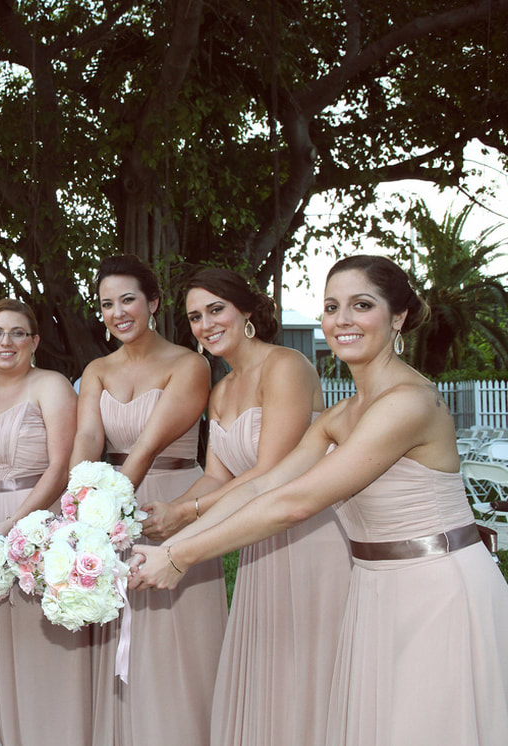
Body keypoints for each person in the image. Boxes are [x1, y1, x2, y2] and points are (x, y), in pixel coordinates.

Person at [133, 255, 508, 745]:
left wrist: (179, 557)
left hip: (437, 589)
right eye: (332, 307)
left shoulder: (407, 404)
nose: (342, 320)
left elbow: (299, 504)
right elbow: (264, 485)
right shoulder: (341, 414)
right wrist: (175, 535)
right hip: (374, 589)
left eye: (361, 305)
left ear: (397, 318)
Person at [142, 267, 349, 745]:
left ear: (246, 312)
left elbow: (270, 471)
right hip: (259, 542)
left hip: (309, 537)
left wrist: (187, 518)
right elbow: (218, 475)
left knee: (309, 665)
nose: (206, 324)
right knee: (272, 665)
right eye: (195, 316)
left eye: (216, 309)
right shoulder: (220, 390)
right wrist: (165, 511)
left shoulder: (287, 366)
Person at [69, 255, 227, 746]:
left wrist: (103, 511)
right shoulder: (96, 369)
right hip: (108, 505)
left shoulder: (189, 364)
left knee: (176, 640)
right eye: (106, 304)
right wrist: (72, 512)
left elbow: (148, 446)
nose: (117, 312)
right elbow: (86, 440)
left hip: (170, 505)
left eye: (128, 300)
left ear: (154, 302)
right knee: (118, 631)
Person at [0, 298, 92, 745]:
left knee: (40, 646)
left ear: (35, 342)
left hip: (36, 527)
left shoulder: (51, 385)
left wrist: (15, 522)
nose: (5, 342)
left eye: (17, 333)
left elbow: (61, 465)